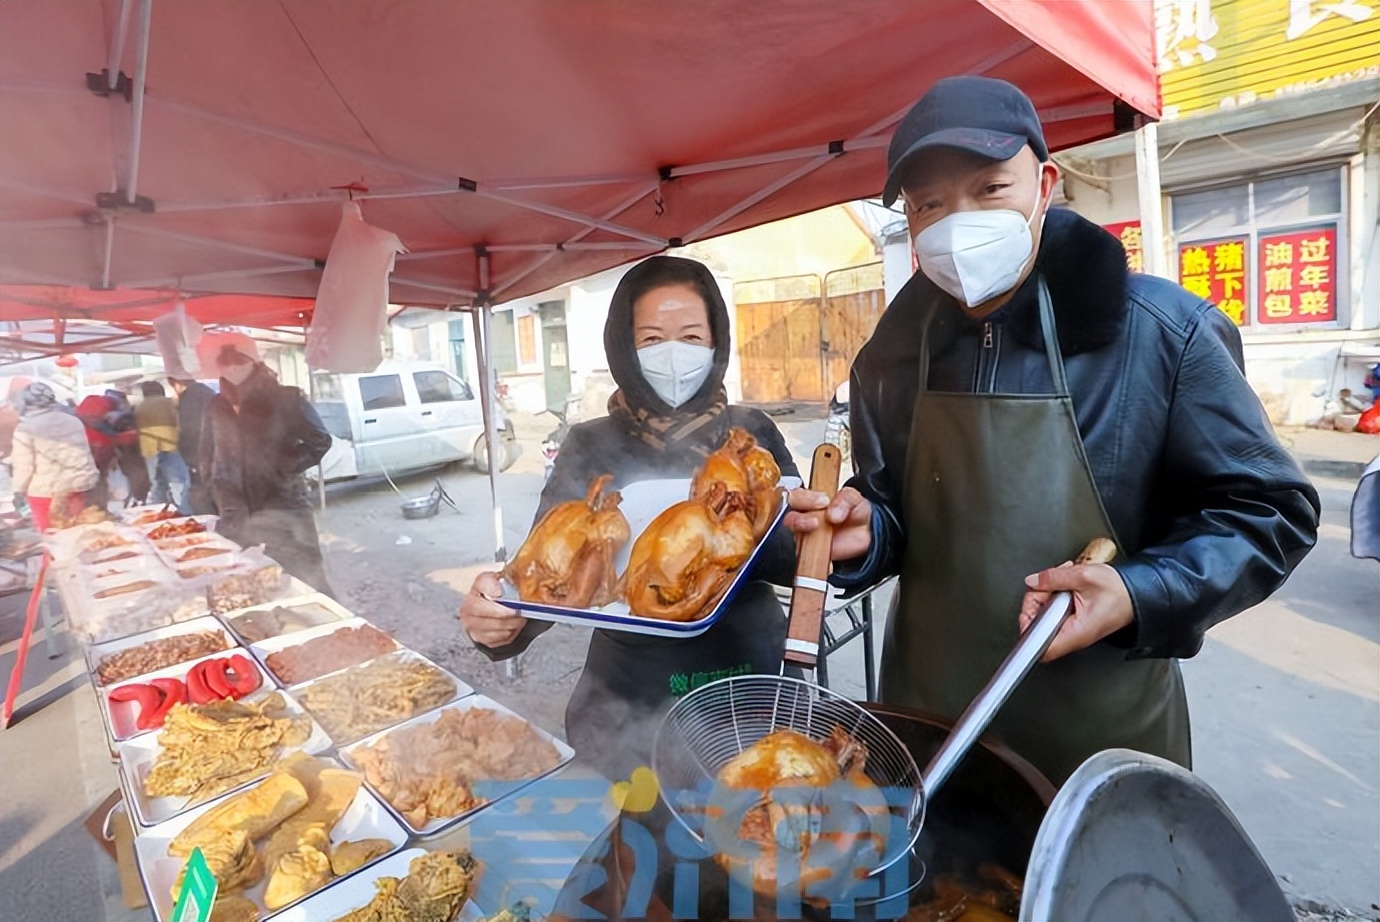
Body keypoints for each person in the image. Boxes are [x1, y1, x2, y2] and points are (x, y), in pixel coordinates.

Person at [786, 76, 1320, 786]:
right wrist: (867, 532)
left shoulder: (1163, 333)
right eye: (929, 204)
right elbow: (894, 507)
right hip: (927, 716)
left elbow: (1267, 512)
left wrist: (1138, 593)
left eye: (989, 189)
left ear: (1043, 185)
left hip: (1099, 730)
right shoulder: (892, 353)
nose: (958, 223)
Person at [458, 256, 800, 783]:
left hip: (747, 677)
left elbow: (795, 558)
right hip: (628, 695)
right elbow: (547, 578)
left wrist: (782, 527)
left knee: (750, 818)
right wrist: (501, 621)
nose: (674, 353)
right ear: (623, 346)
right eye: (651, 339)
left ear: (717, 342)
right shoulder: (590, 443)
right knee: (635, 827)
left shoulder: (751, 432)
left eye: (692, 336)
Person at [196, 332, 336, 595]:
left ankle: (333, 619)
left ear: (254, 361)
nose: (232, 368)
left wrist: (283, 467)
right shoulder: (214, 405)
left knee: (306, 579)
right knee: (246, 583)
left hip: (283, 506)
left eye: (239, 360)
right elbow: (206, 453)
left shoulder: (286, 397)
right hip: (235, 511)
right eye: (225, 362)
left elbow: (320, 440)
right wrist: (212, 489)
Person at [10, 382, 100, 531]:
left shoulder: (25, 429)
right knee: (77, 531)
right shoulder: (73, 421)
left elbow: (24, 467)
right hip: (77, 486)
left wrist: (18, 490)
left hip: (45, 492)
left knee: (52, 535)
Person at [135, 380, 190, 513]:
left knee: (157, 483)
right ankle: (184, 511)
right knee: (179, 481)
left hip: (149, 450)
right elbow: (179, 422)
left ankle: (157, 512)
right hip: (170, 446)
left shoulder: (139, 407)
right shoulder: (169, 403)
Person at [169, 376, 217, 514]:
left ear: (176, 383)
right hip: (217, 453)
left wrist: (186, 455)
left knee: (201, 497)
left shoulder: (188, 399)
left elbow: (189, 431)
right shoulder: (209, 393)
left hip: (198, 455)